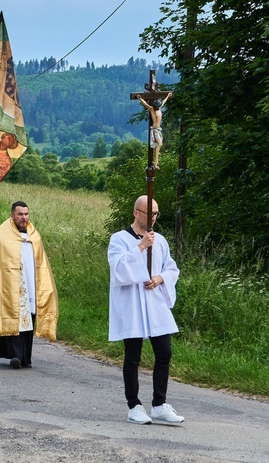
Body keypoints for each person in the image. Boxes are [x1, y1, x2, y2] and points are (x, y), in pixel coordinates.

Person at [108, 195, 183, 425]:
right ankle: (134, 406)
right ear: (136, 213)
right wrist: (141, 246)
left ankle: (159, 404)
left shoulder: (159, 240)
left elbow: (171, 267)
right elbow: (119, 269)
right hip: (132, 302)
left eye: (156, 214)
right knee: (133, 356)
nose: (153, 218)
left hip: (154, 301)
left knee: (164, 352)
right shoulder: (119, 239)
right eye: (149, 213)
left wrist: (160, 278)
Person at [0, 201, 59, 369]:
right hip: (9, 285)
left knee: (29, 319)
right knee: (14, 318)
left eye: (26, 214)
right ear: (12, 215)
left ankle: (26, 357)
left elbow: (41, 262)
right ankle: (15, 355)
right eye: (20, 214)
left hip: (31, 283)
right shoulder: (0, 234)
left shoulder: (34, 235)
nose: (24, 218)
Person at [138, 93, 172, 170]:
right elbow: (146, 105)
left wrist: (167, 96)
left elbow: (163, 102)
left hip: (158, 129)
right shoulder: (152, 110)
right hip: (155, 129)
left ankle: (155, 161)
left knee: (159, 144)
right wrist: (140, 99)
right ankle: (155, 162)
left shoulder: (159, 108)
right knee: (159, 144)